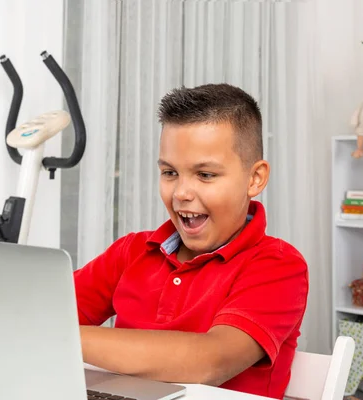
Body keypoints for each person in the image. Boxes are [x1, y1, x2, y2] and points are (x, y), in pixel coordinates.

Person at [73, 83, 309, 399]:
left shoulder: (277, 265)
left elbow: (208, 362)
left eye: (205, 175)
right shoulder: (131, 252)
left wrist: (62, 336)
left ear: (255, 179)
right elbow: (40, 314)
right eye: (170, 173)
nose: (181, 193)